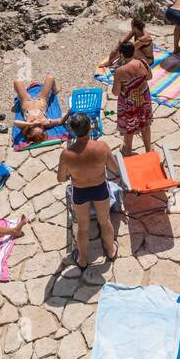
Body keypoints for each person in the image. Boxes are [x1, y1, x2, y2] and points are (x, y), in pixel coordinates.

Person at [57, 112, 121, 269]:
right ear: (90, 127)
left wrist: (72, 175)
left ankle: (83, 259)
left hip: (80, 191)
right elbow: (114, 169)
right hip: (99, 189)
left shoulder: (67, 154)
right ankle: (111, 251)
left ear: (72, 131)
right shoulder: (102, 147)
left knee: (83, 227)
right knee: (105, 221)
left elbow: (61, 179)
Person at [112, 40, 153, 153]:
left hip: (129, 103)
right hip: (144, 99)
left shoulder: (119, 71)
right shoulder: (143, 63)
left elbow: (115, 92)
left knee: (128, 127)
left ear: (121, 54)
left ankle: (128, 149)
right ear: (133, 51)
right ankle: (148, 149)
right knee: (145, 124)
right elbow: (149, 77)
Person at [12, 74, 58, 144]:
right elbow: (60, 121)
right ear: (43, 128)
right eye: (40, 125)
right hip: (41, 99)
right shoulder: (45, 123)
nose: (37, 122)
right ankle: (55, 90)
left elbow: (15, 122)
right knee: (50, 77)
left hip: (26, 101)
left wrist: (30, 123)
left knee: (17, 81)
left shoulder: (26, 126)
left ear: (30, 128)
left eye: (35, 126)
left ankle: (23, 93)